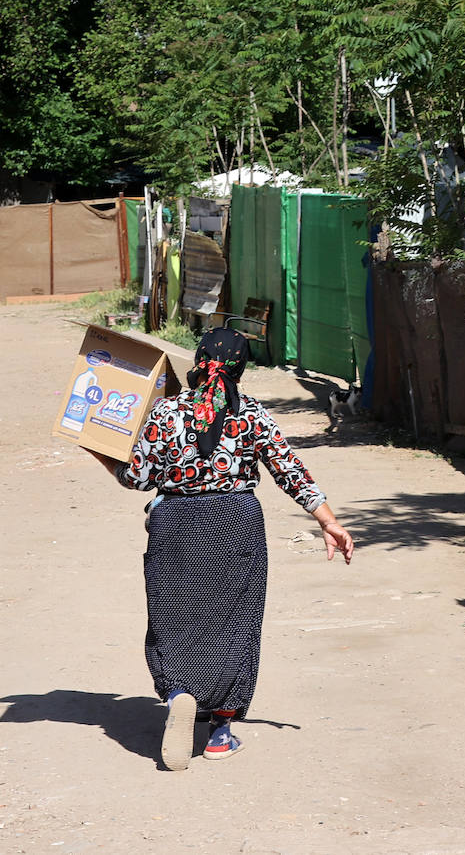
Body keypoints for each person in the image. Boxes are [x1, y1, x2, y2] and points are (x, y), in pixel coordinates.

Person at [86, 327, 353, 770]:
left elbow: (135, 477)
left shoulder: (166, 412)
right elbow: (289, 469)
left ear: (197, 361)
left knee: (174, 619)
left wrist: (98, 449)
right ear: (240, 370)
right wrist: (328, 521)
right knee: (235, 624)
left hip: (176, 524)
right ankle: (220, 733)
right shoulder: (250, 413)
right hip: (236, 524)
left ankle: (179, 693)